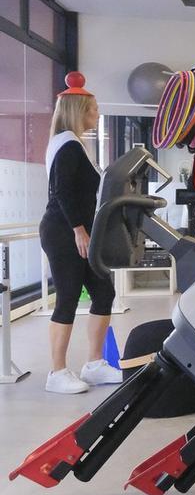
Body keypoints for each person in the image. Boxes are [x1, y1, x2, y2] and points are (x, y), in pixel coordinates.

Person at [39, 72, 122, 394]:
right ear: (80, 111)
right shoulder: (68, 145)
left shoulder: (70, 144)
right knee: (69, 297)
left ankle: (94, 364)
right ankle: (56, 372)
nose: (98, 114)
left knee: (104, 293)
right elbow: (62, 192)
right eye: (95, 109)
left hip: (77, 229)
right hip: (63, 231)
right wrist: (78, 231)